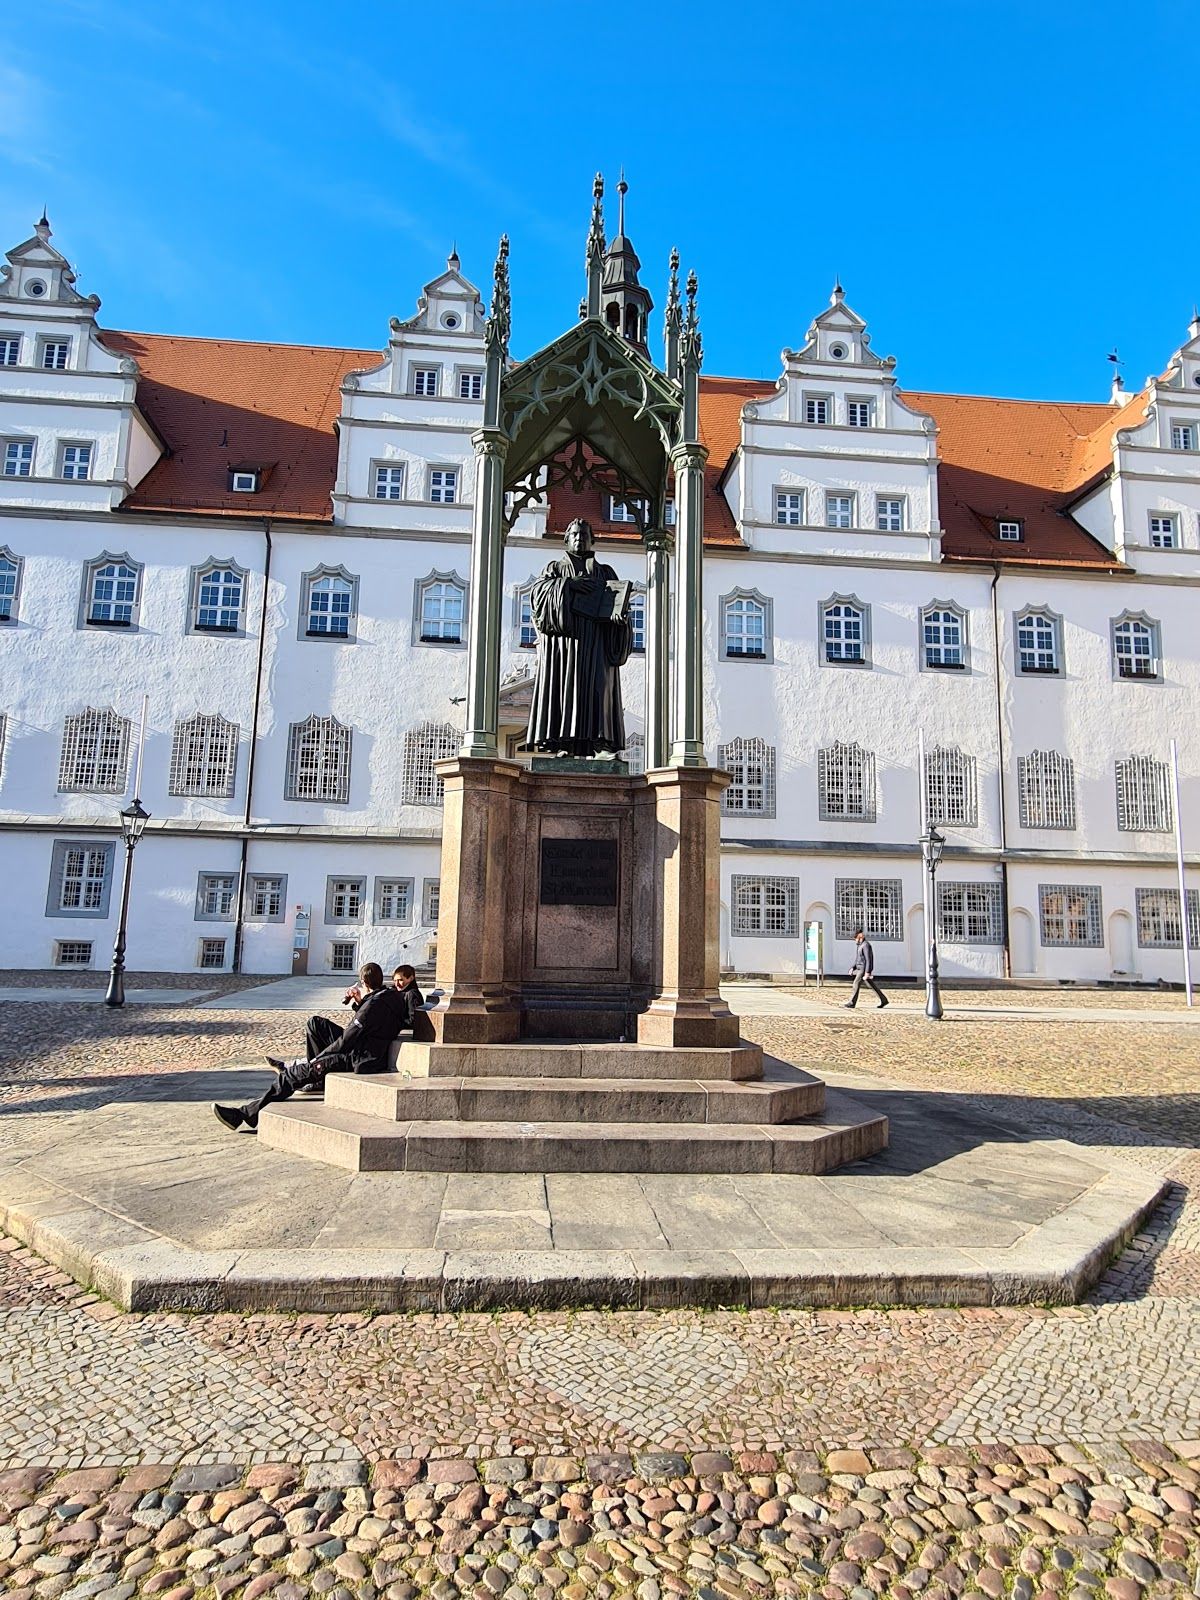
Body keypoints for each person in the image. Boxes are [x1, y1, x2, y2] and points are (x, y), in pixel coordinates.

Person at [212, 961, 420, 1132]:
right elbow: (373, 1022)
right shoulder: (390, 997)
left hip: (358, 1056)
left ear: (364, 981)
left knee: (290, 1076)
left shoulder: (373, 1005)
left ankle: (243, 1115)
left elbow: (346, 1040)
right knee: (316, 1024)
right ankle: (313, 1077)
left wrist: (317, 1060)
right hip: (369, 1050)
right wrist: (359, 1002)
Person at [525, 518, 632, 757]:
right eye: (574, 534)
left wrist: (619, 621)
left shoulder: (605, 572)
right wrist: (567, 585)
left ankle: (600, 744)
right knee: (565, 690)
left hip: (597, 644)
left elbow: (618, 605)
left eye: (584, 535)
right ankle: (564, 745)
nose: (579, 539)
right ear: (566, 538)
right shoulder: (554, 569)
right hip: (565, 644)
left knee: (599, 691)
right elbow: (537, 599)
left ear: (592, 540)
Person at [844, 930, 889, 1009]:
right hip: (859, 967)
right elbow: (858, 959)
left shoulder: (866, 945)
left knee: (856, 983)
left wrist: (867, 972)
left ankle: (852, 1002)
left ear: (860, 936)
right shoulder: (860, 945)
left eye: (856, 938)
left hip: (863, 969)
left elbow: (868, 959)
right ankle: (883, 999)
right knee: (871, 985)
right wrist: (853, 967)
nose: (855, 940)